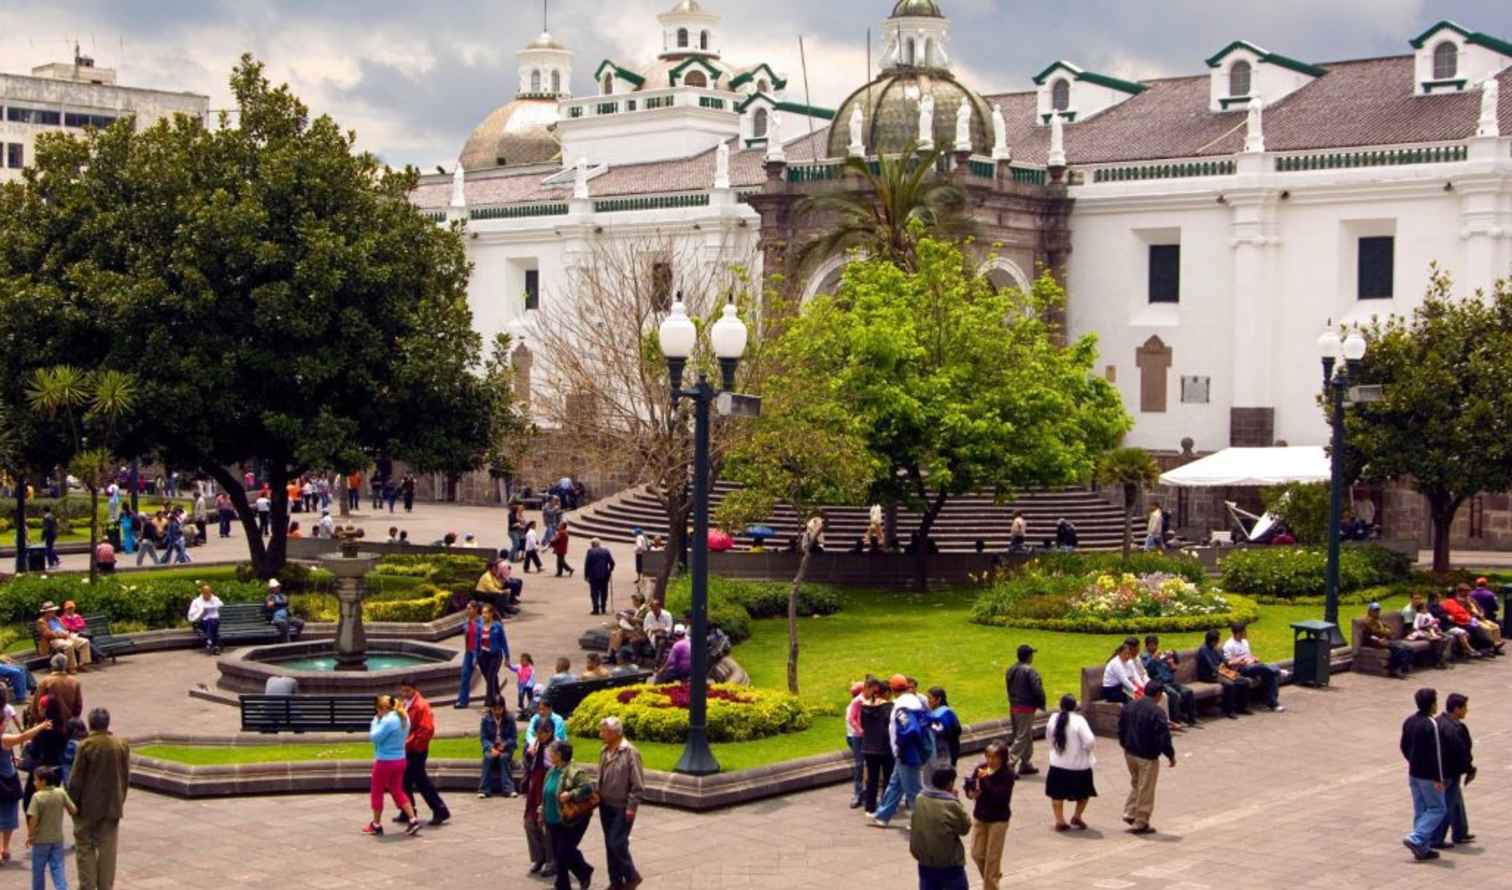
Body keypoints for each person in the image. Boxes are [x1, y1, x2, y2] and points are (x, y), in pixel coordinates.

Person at [65, 707, 129, 889]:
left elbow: (76, 779)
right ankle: (105, 886)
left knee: (85, 847)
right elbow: (125, 778)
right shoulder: (121, 744)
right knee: (108, 849)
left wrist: (71, 804)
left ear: (91, 723)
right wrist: (120, 800)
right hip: (112, 805)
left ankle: (88, 884)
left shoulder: (86, 745)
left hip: (87, 806)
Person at [871, 675, 931, 828]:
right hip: (908, 752)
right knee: (895, 785)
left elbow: (909, 730)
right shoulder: (913, 701)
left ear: (892, 689)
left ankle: (921, 822)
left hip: (907, 753)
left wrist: (900, 746)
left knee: (913, 790)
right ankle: (882, 816)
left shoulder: (902, 706)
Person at [1117, 681, 1177, 834]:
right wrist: (1170, 756)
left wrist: (1124, 744)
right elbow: (1164, 737)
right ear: (1158, 695)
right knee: (1146, 787)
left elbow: (1121, 728)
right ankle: (1141, 821)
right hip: (1147, 755)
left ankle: (1130, 812)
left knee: (1137, 782)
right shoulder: (1157, 712)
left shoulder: (1129, 706)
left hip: (1130, 752)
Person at [394, 679, 450, 827]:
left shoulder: (421, 706)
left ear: (414, 689)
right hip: (409, 748)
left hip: (415, 750)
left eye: (407, 691)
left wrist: (413, 744)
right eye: (403, 690)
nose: (404, 693)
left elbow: (427, 729)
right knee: (405, 781)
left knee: (420, 781)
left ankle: (440, 810)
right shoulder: (407, 703)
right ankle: (408, 811)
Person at [598, 716, 645, 890]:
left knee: (616, 843)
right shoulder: (604, 751)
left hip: (622, 807)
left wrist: (631, 807)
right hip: (605, 805)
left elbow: (638, 784)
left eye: (604, 730)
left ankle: (632, 876)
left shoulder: (630, 752)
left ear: (614, 733)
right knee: (609, 845)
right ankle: (615, 881)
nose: (601, 733)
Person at [541, 741, 596, 890]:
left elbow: (588, 788)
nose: (548, 753)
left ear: (559, 755)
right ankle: (562, 884)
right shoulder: (552, 770)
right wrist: (542, 809)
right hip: (552, 819)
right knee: (560, 854)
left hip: (570, 820)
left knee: (563, 851)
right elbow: (547, 793)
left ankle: (584, 871)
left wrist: (571, 794)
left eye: (551, 751)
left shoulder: (574, 772)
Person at [364, 695, 422, 837]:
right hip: (400, 760)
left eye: (377, 709)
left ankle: (376, 825)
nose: (376, 712)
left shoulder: (387, 721)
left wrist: (375, 721)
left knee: (377, 791)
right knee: (397, 790)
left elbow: (374, 737)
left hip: (385, 761)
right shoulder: (403, 717)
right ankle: (413, 819)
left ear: (382, 708)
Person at [1399, 687, 1445, 861]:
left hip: (1414, 773)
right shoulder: (1431, 724)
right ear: (1432, 704)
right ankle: (1416, 838)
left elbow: (1403, 745)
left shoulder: (1409, 721)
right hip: (1428, 775)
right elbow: (1437, 754)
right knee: (1438, 808)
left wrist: (1412, 761)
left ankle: (1422, 849)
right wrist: (1439, 778)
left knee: (1421, 810)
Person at [909, 767, 971, 890]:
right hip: (949, 864)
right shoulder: (951, 804)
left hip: (925, 861)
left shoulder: (920, 798)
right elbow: (965, 827)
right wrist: (955, 799)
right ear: (950, 783)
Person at [964, 741, 1014, 890]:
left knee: (992, 858)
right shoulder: (980, 769)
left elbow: (1001, 797)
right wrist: (971, 792)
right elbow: (970, 787)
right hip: (980, 817)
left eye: (995, 757)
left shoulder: (1007, 774)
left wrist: (985, 781)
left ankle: (990, 885)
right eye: (988, 756)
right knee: (976, 853)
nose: (990, 761)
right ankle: (992, 877)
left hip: (998, 820)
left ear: (1002, 758)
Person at [2, 717, 52, 866]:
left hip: (6, 778)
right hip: (6, 781)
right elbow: (23, 737)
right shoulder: (3, 738)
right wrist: (41, 726)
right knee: (8, 815)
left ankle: (3, 849)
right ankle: (4, 848)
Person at [1045, 694, 1096, 831]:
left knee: (1057, 794)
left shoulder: (1053, 719)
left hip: (1058, 764)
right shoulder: (1079, 720)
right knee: (1084, 793)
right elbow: (1090, 741)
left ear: (1061, 705)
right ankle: (1077, 816)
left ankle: (1059, 820)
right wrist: (1084, 750)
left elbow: (1049, 737)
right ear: (1075, 706)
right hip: (1078, 765)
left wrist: (1055, 749)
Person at [1432, 692, 1474, 849]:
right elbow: (1461, 752)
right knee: (1447, 805)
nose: (1466, 711)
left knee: (1456, 802)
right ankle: (1436, 839)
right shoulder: (1455, 728)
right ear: (1456, 709)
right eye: (1464, 708)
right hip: (1450, 772)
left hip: (1441, 771)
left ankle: (1460, 831)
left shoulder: (1437, 722)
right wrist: (1469, 769)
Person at [26, 766, 75, 889]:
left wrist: (30, 835)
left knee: (38, 870)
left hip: (41, 840)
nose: (34, 782)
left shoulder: (37, 797)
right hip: (57, 839)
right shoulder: (61, 792)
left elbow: (33, 819)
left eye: (36, 780)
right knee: (58, 867)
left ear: (43, 781)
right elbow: (73, 809)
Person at [521, 721, 557, 878]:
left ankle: (551, 860)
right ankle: (539, 857)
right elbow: (527, 765)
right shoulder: (535, 744)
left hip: (548, 786)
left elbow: (559, 766)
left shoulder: (556, 747)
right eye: (538, 732)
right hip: (534, 786)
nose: (540, 736)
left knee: (547, 825)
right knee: (529, 822)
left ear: (550, 732)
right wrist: (529, 754)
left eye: (543, 732)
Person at [1003, 643, 1045, 775]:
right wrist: (1041, 702)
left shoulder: (1011, 669)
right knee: (1022, 736)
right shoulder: (1030, 671)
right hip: (1026, 707)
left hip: (1014, 706)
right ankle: (1008, 764)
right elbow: (1037, 689)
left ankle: (1026, 763)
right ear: (1028, 656)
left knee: (1024, 734)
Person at [1221, 624, 1283, 712]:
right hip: (1241, 669)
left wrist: (1253, 658)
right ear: (1238, 633)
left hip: (1252, 665)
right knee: (1267, 669)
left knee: (1269, 674)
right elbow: (1228, 663)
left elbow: (1249, 655)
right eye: (1244, 632)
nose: (1246, 633)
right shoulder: (1229, 645)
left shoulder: (1245, 642)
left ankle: (1272, 703)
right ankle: (1278, 671)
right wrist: (1239, 661)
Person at [1142, 635, 1199, 726]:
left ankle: (1192, 718)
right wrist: (1153, 659)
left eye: (1155, 645)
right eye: (1151, 645)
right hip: (1160, 683)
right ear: (1147, 646)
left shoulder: (1161, 655)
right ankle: (1176, 721)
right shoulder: (1145, 657)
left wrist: (1171, 664)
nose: (1154, 647)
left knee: (1188, 691)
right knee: (1174, 695)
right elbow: (1146, 670)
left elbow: (1172, 669)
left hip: (1171, 681)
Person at [858, 677, 894, 816]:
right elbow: (891, 726)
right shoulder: (888, 706)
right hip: (885, 746)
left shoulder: (865, 706)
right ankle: (886, 806)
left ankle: (870, 808)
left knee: (872, 779)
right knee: (888, 777)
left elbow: (862, 725)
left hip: (868, 746)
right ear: (885, 692)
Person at [1196, 629, 1249, 718]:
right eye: (1217, 640)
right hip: (1209, 675)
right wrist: (1224, 671)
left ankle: (1242, 707)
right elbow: (1211, 667)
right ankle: (1229, 711)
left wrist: (1236, 662)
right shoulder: (1203, 650)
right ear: (1213, 641)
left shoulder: (1215, 649)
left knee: (1243, 681)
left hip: (1220, 672)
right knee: (1230, 684)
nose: (1218, 642)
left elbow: (1224, 660)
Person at [1361, 602, 1414, 679]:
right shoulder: (1367, 621)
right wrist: (1385, 633)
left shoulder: (1378, 619)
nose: (1377, 612)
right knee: (1400, 649)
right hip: (1375, 642)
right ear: (1369, 611)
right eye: (1375, 610)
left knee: (1408, 648)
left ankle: (1403, 668)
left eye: (1378, 610)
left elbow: (1389, 629)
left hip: (1385, 639)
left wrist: (1386, 632)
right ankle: (1395, 668)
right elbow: (1375, 632)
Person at [478, 699, 517, 799]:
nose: (497, 712)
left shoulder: (509, 719)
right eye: (495, 709)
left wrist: (505, 744)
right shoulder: (486, 720)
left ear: (503, 708)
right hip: (492, 748)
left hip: (505, 748)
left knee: (503, 758)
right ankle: (484, 789)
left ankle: (509, 789)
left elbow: (513, 738)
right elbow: (483, 738)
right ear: (491, 709)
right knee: (488, 758)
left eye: (499, 709)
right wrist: (491, 748)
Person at [36, 604, 91, 674]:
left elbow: (65, 628)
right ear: (46, 612)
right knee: (68, 645)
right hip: (53, 640)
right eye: (51, 611)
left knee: (84, 642)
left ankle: (82, 664)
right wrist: (61, 635)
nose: (53, 612)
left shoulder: (57, 619)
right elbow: (47, 634)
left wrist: (66, 632)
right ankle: (71, 667)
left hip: (66, 636)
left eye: (53, 611)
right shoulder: (41, 621)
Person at [1402, 593, 1451, 667]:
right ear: (1411, 599)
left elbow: (1429, 620)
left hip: (1426, 629)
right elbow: (1409, 627)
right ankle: (1438, 661)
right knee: (1436, 640)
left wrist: (1434, 627)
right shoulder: (1408, 611)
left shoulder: (1420, 607)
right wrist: (1426, 630)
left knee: (1447, 637)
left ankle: (1442, 659)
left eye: (1419, 598)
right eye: (1415, 598)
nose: (1418, 600)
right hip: (1413, 632)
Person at [477, 604, 509, 708]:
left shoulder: (497, 626)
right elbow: (477, 641)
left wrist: (507, 657)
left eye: (486, 612)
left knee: (490, 677)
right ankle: (498, 696)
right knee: (490, 678)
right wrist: (475, 657)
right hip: (483, 656)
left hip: (495, 655)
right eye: (483, 613)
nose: (484, 615)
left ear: (491, 614)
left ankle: (489, 704)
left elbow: (503, 642)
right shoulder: (480, 625)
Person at [454, 603, 482, 709]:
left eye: (469, 608)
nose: (468, 610)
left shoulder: (481, 622)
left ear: (475, 609)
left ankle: (493, 699)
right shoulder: (466, 622)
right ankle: (462, 701)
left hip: (479, 653)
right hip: (469, 652)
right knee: (464, 676)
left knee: (489, 677)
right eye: (467, 609)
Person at [927, 687, 961, 768]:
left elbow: (953, 733)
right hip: (939, 755)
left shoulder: (945, 715)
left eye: (930, 698)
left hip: (944, 756)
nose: (927, 700)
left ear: (938, 699)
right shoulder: (947, 712)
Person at [1100, 638, 1142, 703]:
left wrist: (1141, 687)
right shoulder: (1116, 663)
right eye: (1125, 654)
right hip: (1111, 690)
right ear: (1119, 653)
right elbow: (1124, 680)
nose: (1127, 656)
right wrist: (1136, 690)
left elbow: (1135, 675)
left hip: (1121, 687)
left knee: (1139, 695)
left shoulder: (1129, 661)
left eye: (1129, 654)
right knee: (1133, 696)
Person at [187, 584, 224, 656]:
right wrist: (201, 612)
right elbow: (191, 615)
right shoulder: (196, 601)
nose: (208, 595)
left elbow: (221, 604)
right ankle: (215, 645)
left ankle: (210, 642)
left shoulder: (215, 599)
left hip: (215, 622)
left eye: (209, 593)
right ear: (202, 593)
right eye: (206, 593)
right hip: (201, 622)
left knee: (212, 621)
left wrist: (214, 606)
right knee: (211, 623)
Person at [583, 537, 615, 615]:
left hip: (593, 575)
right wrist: (609, 571)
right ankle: (603, 608)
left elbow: (587, 564)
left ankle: (596, 609)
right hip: (604, 575)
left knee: (594, 592)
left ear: (592, 545)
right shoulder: (606, 551)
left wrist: (586, 575)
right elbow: (612, 563)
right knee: (604, 592)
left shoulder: (590, 551)